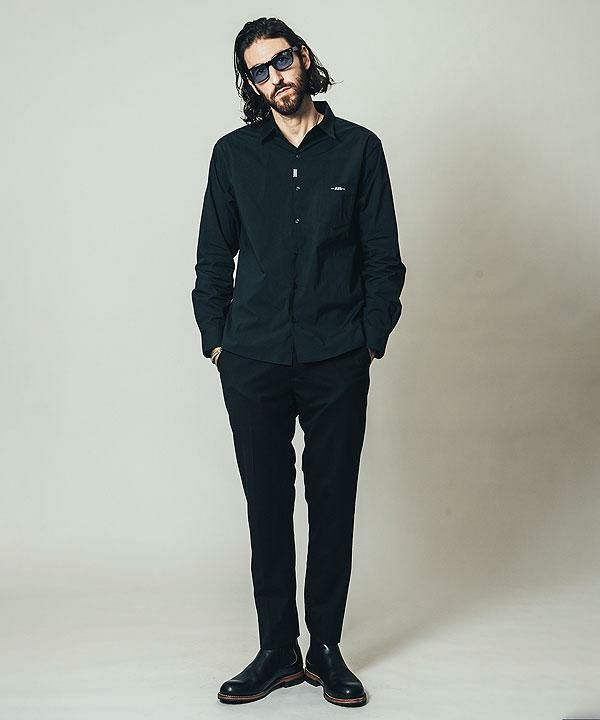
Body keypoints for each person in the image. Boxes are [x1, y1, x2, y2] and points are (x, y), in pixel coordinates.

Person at [191, 17, 406, 707]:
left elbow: (383, 258)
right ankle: (277, 650)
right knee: (266, 506)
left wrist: (369, 338)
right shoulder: (232, 156)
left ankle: (328, 650)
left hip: (335, 355)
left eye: (281, 60)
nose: (274, 77)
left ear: (303, 57)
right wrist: (217, 341)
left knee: (333, 503)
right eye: (258, 71)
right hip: (252, 358)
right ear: (249, 83)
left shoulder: (359, 150)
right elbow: (211, 259)